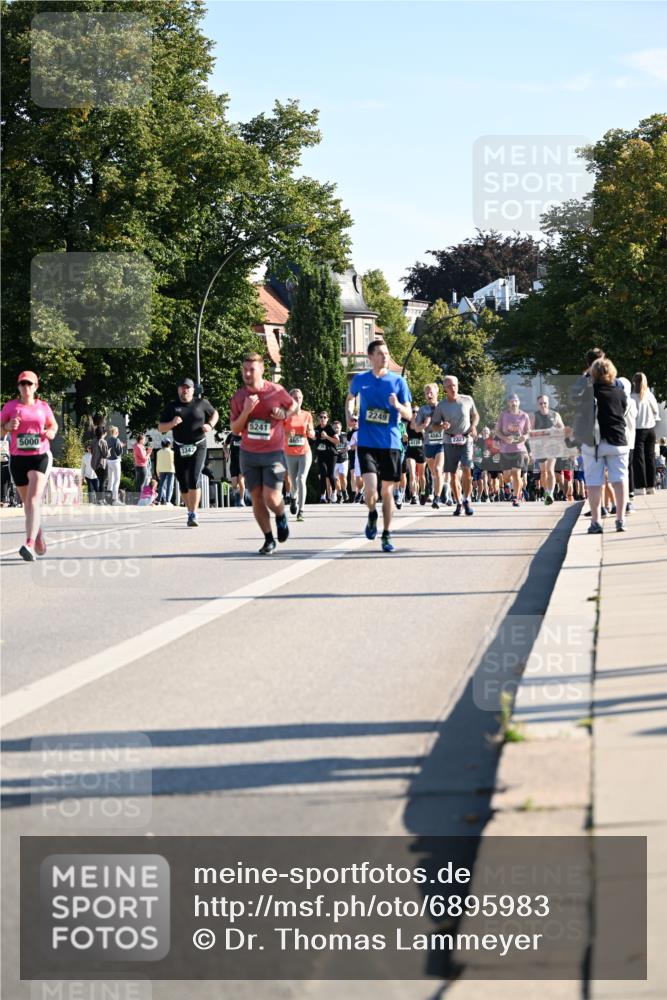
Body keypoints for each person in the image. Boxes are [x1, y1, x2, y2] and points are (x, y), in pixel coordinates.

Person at [345, 339, 412, 553]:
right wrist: (349, 414)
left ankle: (386, 533)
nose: (385, 357)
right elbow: (349, 399)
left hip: (390, 443)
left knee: (387, 492)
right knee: (370, 492)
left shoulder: (398, 381)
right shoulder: (361, 379)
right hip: (366, 442)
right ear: (370, 356)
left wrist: (398, 405)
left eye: (387, 353)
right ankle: (372, 513)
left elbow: (409, 414)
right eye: (381, 353)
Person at [229, 352, 297, 555]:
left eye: (251, 369)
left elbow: (293, 406)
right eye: (244, 369)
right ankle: (268, 539)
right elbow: (235, 429)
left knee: (271, 496)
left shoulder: (276, 390)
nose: (247, 373)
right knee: (256, 496)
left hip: (273, 452)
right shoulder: (239, 397)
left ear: (261, 370)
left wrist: (284, 414)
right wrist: (246, 411)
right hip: (248, 453)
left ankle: (281, 514)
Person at [0, 371, 57, 561]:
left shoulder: (43, 407)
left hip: (39, 456)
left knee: (33, 500)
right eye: (22, 384)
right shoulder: (10, 406)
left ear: (36, 386)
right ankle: (37, 533)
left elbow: (54, 426)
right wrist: (7, 426)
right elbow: (0, 429)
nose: (26, 387)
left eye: (29, 384)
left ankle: (29, 544)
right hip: (18, 459)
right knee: (28, 505)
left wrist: (50, 432)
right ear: (18, 387)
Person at [158, 377, 219, 527]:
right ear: (178, 389)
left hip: (198, 445)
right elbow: (161, 427)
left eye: (188, 388)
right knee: (183, 482)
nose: (184, 390)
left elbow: (215, 413)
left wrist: (210, 425)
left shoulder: (201, 403)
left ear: (193, 390)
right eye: (182, 387)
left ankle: (193, 513)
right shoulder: (172, 407)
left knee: (193, 478)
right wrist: (172, 423)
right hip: (179, 447)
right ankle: (189, 509)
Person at [582, 358, 629, 533]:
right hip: (617, 440)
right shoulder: (619, 392)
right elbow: (623, 412)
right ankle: (620, 519)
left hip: (593, 443)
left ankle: (596, 521)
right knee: (620, 480)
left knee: (594, 483)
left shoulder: (587, 392)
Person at [431, 374, 479, 516]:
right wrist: (441, 425)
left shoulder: (467, 400)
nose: (453, 388)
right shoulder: (441, 405)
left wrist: (474, 426)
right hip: (449, 440)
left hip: (466, 439)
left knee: (466, 470)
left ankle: (467, 499)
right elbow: (434, 426)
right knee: (452, 475)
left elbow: (475, 415)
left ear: (458, 385)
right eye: (449, 386)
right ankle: (458, 502)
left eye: (454, 385)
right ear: (445, 388)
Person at [283, 388, 315, 522]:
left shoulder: (307, 415)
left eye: (300, 398)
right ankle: (293, 497)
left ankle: (301, 511)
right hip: (289, 453)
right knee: (293, 481)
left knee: (301, 479)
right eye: (295, 398)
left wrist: (310, 432)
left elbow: (312, 434)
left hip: (304, 451)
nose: (298, 400)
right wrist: (286, 434)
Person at [494, 394, 531, 507]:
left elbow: (528, 431)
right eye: (511, 401)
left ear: (519, 402)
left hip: (519, 449)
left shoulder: (524, 416)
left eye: (515, 401)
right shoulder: (503, 415)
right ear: (508, 403)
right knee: (506, 477)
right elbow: (497, 431)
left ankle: (516, 497)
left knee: (516, 473)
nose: (513, 403)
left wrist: (525, 436)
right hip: (505, 449)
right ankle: (509, 486)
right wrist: (505, 438)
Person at [530, 394, 564, 506]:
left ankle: (550, 494)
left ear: (548, 403)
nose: (543, 405)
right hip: (539, 447)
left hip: (552, 446)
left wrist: (556, 431)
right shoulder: (534, 416)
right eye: (541, 403)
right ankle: (546, 492)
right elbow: (530, 433)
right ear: (538, 404)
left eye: (545, 403)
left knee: (550, 470)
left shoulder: (555, 415)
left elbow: (562, 429)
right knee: (543, 472)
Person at [415, 383, 445, 509]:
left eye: (431, 392)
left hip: (442, 443)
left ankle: (436, 498)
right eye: (426, 393)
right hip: (428, 444)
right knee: (434, 473)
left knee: (438, 470)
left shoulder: (444, 407)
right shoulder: (423, 410)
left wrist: (445, 424)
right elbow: (417, 428)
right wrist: (425, 424)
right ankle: (444, 488)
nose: (429, 395)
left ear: (437, 392)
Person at [631, 372, 660, 495]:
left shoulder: (632, 397)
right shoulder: (650, 395)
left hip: (638, 430)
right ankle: (651, 486)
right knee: (650, 457)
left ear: (634, 382)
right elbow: (656, 412)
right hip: (651, 429)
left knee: (638, 459)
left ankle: (640, 486)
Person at [313, 410, 339, 503]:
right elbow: (313, 438)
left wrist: (327, 436)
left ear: (327, 419)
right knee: (323, 474)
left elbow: (337, 441)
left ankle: (334, 492)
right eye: (321, 417)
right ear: (318, 419)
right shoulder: (316, 428)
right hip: (321, 455)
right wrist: (312, 435)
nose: (322, 419)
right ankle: (323, 496)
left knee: (330, 474)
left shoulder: (330, 428)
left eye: (324, 417)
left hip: (332, 454)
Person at [405, 406, 426, 504]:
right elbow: (404, 437)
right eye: (413, 411)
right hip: (410, 451)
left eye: (417, 412)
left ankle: (422, 492)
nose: (415, 413)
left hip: (421, 452)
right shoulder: (408, 424)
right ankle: (414, 496)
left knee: (421, 475)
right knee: (412, 474)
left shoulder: (422, 423)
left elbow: (426, 438)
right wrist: (404, 437)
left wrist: (422, 431)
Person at [224, 431, 247, 507]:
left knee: (241, 481)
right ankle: (237, 494)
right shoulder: (231, 435)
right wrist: (226, 452)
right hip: (233, 462)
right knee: (234, 484)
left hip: (243, 461)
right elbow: (225, 445)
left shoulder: (245, 433)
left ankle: (241, 500)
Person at [106, 425, 125, 504]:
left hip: (109, 461)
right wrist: (121, 446)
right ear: (116, 432)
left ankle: (108, 499)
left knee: (110, 480)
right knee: (116, 480)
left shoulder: (108, 440)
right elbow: (119, 452)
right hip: (115, 461)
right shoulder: (117, 440)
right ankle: (115, 499)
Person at [332, 420, 349, 503]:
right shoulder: (331, 436)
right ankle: (339, 495)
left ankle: (344, 491)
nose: (336, 429)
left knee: (342, 476)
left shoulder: (345, 435)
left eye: (337, 427)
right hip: (334, 460)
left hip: (343, 459)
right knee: (336, 479)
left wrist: (347, 447)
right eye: (334, 427)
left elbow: (350, 443)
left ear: (341, 428)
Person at [90, 426, 109, 497]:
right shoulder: (103, 441)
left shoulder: (93, 441)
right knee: (102, 482)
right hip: (102, 464)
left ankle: (99, 499)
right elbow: (105, 455)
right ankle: (101, 499)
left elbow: (92, 452)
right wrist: (109, 451)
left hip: (94, 464)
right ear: (103, 433)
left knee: (100, 482)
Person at [156, 439, 176, 505]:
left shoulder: (158, 452)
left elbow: (157, 463)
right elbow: (174, 462)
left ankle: (159, 500)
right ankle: (167, 501)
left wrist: (157, 472)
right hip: (171, 470)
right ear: (169, 444)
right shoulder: (171, 452)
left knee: (161, 485)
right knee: (169, 485)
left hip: (161, 470)